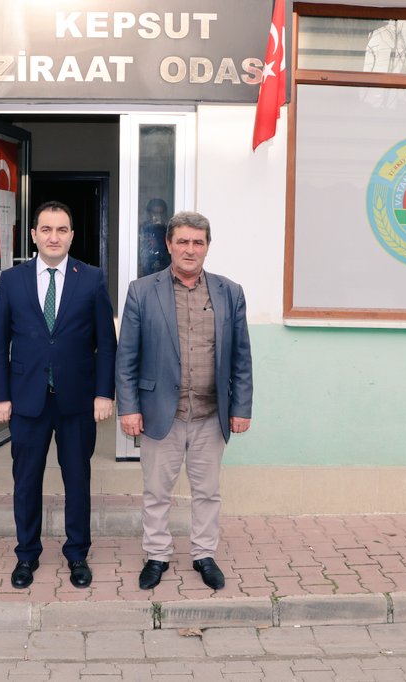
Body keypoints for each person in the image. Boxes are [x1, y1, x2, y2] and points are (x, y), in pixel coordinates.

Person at [116, 210, 253, 591]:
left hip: (212, 414)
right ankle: (156, 555)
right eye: (183, 241)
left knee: (207, 492)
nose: (190, 249)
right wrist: (128, 407)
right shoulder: (142, 291)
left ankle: (203, 554)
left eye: (198, 242)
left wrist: (241, 408)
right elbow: (126, 356)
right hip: (162, 412)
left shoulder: (230, 292)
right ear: (168, 245)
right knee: (157, 491)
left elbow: (242, 356)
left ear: (207, 247)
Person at [0, 200, 117, 589]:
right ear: (33, 235)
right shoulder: (12, 281)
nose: (54, 237)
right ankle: (26, 555)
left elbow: (106, 343)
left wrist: (103, 393)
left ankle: (77, 553)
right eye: (46, 229)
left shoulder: (91, 278)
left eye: (62, 230)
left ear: (72, 236)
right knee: (26, 480)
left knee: (77, 478)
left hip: (77, 400)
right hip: (26, 399)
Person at [138, 198, 170, 276]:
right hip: (143, 272)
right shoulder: (141, 230)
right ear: (149, 214)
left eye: (161, 213)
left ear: (165, 214)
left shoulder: (169, 231)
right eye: (154, 213)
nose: (157, 216)